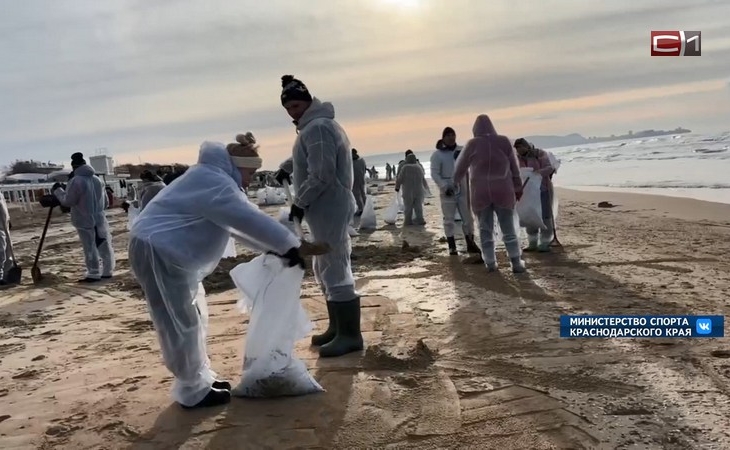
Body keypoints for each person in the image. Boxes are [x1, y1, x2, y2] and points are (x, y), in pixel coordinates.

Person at [129, 134, 305, 409]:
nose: (249, 179)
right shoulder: (213, 182)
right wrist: (288, 245)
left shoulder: (212, 178)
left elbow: (235, 223)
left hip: (166, 253)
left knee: (193, 315)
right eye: (249, 172)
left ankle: (200, 377)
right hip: (158, 252)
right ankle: (192, 389)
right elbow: (245, 219)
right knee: (180, 322)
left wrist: (279, 248)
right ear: (237, 165)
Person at [273, 74, 363, 358]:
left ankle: (350, 334)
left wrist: (300, 202)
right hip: (324, 206)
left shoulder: (318, 128)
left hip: (329, 204)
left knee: (333, 263)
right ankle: (337, 326)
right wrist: (288, 166)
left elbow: (322, 173)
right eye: (288, 109)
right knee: (324, 265)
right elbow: (315, 158)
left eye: (296, 106)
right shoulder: (315, 127)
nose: (292, 112)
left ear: (308, 101)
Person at [454, 115, 526, 273]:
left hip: (480, 192)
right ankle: (515, 262)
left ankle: (491, 263)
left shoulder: (472, 144)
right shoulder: (504, 141)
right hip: (503, 189)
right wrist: (518, 188)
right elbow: (514, 167)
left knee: (484, 229)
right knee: (508, 229)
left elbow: (459, 168)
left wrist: (454, 183)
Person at [52, 152, 115, 282]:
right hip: (99, 217)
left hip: (83, 218)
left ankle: (93, 272)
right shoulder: (97, 180)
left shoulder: (76, 181)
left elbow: (68, 201)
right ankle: (108, 270)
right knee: (103, 243)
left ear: (74, 166)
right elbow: (106, 202)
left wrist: (58, 191)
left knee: (89, 246)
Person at [430, 127, 480, 255]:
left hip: (463, 186)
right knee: (449, 218)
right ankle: (452, 246)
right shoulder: (437, 155)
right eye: (448, 135)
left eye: (453, 135)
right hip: (447, 188)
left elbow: (473, 163)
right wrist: (444, 186)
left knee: (468, 217)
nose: (451, 137)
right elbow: (435, 173)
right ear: (443, 138)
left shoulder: (462, 150)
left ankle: (470, 242)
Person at [514, 138, 556, 252]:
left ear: (526, 146)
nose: (519, 151)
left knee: (545, 215)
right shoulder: (517, 158)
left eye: (520, 148)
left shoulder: (539, 154)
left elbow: (549, 168)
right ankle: (532, 242)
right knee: (530, 214)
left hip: (543, 188)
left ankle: (545, 241)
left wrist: (538, 173)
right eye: (517, 149)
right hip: (527, 191)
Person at [395, 153, 428, 226]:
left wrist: (397, 187)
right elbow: (423, 179)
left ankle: (408, 221)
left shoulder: (405, 168)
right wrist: (426, 188)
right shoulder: (418, 167)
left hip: (407, 190)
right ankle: (420, 220)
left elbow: (399, 178)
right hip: (418, 190)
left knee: (408, 206)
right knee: (418, 206)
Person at [0, 192, 14, 285]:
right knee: (1, 252)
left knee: (8, 251)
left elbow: (3, 210)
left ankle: (7, 274)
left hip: (4, 226)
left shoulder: (0, 193)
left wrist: (8, 220)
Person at [351, 149, 367, 216]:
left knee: (357, 195)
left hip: (356, 180)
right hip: (361, 179)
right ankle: (365, 208)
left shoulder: (352, 162)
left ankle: (361, 209)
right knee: (362, 194)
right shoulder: (362, 161)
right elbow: (365, 169)